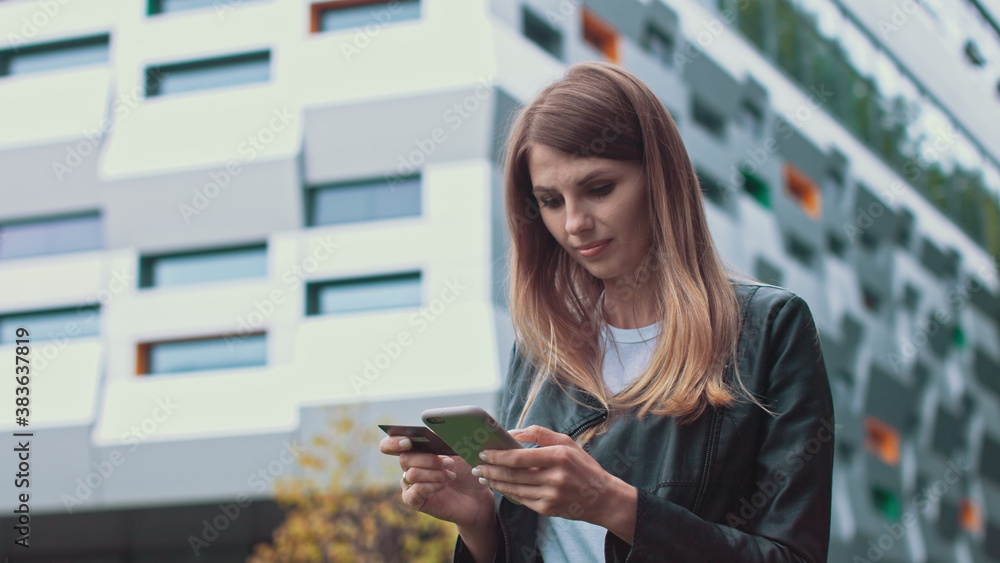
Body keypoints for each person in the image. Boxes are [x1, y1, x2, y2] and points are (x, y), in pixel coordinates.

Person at [379, 60, 835, 562]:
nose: (575, 223)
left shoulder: (768, 330)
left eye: (599, 189)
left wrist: (614, 505)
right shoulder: (541, 354)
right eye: (550, 201)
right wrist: (481, 524)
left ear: (659, 180)